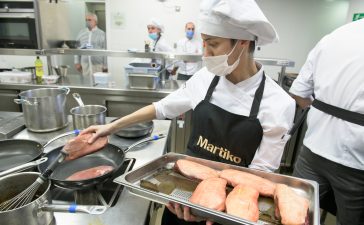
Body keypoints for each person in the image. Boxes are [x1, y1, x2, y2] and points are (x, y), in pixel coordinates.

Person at [81, 0, 295, 224]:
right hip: (181, 194)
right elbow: (162, 107)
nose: (206, 53)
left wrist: (212, 209)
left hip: (231, 208)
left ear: (242, 42)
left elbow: (260, 175)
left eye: (213, 44)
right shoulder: (205, 78)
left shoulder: (279, 104)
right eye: (203, 43)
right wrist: (111, 126)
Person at [289, 19, 364, 225]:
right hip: (358, 164)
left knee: (294, 215)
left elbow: (299, 93)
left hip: (314, 149)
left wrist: (325, 116)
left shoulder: (335, 36)